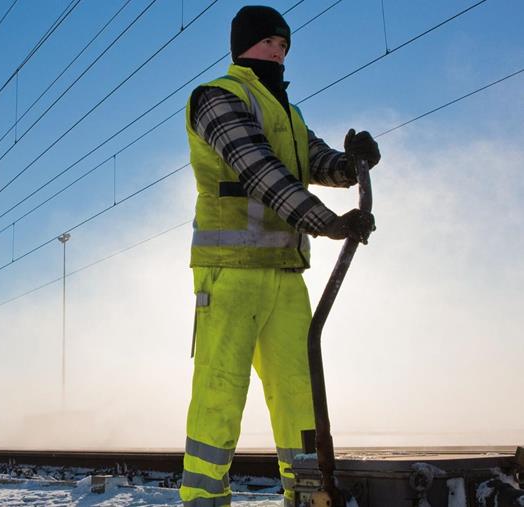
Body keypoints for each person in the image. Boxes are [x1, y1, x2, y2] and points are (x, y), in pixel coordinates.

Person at [179, 5, 379, 507]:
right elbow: (258, 170)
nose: (279, 50)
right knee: (221, 392)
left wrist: (354, 163)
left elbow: (315, 161)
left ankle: (308, 494)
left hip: (286, 274)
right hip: (229, 275)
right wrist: (327, 222)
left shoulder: (288, 113)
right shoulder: (217, 98)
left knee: (299, 396)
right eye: (270, 41)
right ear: (245, 44)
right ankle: (204, 500)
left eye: (285, 43)